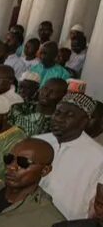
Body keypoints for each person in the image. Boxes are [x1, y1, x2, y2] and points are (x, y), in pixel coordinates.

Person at [36, 88, 103, 219]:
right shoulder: (38, 141)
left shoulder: (98, 157)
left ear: (84, 121)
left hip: (66, 225)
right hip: (26, 217)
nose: (59, 119)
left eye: (70, 115)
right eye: (58, 113)